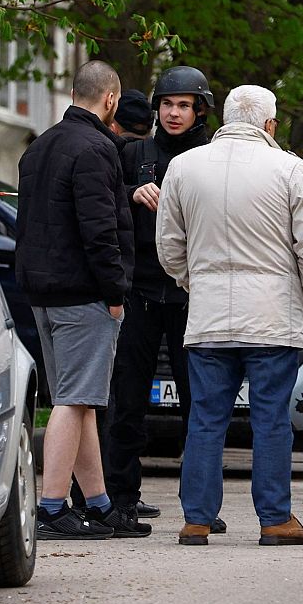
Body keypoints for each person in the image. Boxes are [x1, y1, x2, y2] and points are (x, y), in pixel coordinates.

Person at [156, 85, 303, 547]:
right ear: (269, 125)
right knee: (271, 420)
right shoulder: (290, 168)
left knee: (206, 418)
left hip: (209, 317)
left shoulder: (183, 167)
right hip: (273, 317)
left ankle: (197, 518)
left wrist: (194, 283)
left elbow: (169, 246)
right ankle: (274, 519)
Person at [16, 60, 139, 539]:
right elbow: (99, 229)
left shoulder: (41, 145)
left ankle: (99, 503)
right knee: (72, 400)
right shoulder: (96, 148)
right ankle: (49, 507)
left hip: (42, 289)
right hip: (83, 291)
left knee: (82, 398)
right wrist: (115, 291)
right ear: (111, 100)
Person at [103, 66, 215, 527]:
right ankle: (120, 497)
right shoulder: (134, 153)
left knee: (201, 404)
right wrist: (131, 193)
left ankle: (200, 506)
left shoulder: (212, 156)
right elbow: (102, 200)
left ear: (199, 110)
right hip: (141, 293)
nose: (174, 113)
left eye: (184, 106)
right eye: (168, 104)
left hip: (194, 294)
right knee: (127, 400)